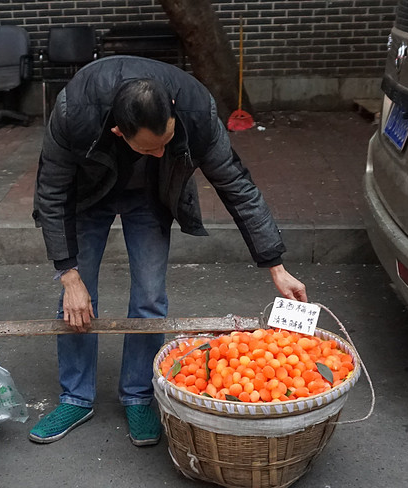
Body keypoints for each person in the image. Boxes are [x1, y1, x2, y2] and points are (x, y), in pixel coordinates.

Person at [30, 55, 307, 446]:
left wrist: (275, 264)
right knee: (76, 300)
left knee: (149, 295)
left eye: (166, 143)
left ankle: (138, 394)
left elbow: (237, 186)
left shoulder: (196, 111)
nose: (161, 153)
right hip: (86, 194)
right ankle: (76, 396)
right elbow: (52, 191)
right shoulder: (75, 111)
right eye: (149, 148)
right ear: (116, 131)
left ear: (173, 113)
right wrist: (68, 274)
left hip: (149, 196)